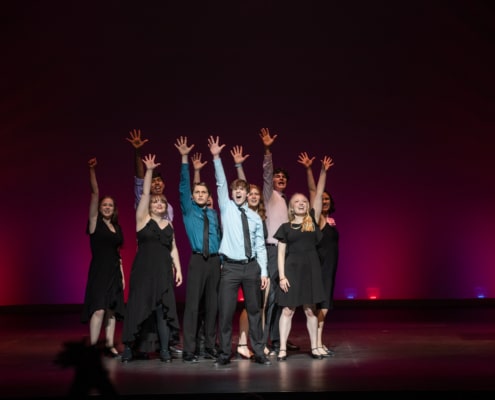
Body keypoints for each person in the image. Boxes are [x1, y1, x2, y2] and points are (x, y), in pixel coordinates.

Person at [209, 135, 271, 366]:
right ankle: (225, 354)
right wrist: (216, 157)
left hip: (252, 267)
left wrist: (263, 271)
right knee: (225, 313)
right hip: (231, 268)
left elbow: (260, 246)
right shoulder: (226, 208)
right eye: (235, 189)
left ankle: (259, 352)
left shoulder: (255, 217)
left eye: (241, 189)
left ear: (246, 194)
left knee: (255, 312)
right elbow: (221, 182)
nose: (237, 191)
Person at [121, 154, 183, 363]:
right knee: (138, 306)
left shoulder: (170, 225)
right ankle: (129, 348)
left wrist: (179, 269)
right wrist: (148, 171)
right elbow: (145, 193)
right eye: (155, 202)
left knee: (162, 311)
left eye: (162, 202)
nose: (158, 204)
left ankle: (164, 350)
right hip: (144, 270)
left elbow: (173, 248)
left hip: (163, 271)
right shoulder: (142, 220)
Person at [274, 154, 333, 361]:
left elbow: (317, 194)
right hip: (292, 271)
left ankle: (315, 347)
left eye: (304, 202)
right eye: (297, 201)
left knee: (310, 311)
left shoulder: (313, 223)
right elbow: (281, 253)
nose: (301, 203)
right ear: (291, 207)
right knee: (288, 310)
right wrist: (282, 276)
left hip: (311, 270)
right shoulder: (285, 228)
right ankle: (282, 348)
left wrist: (322, 171)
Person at [175, 136, 222, 363]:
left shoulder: (213, 215)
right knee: (193, 307)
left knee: (213, 307)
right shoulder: (188, 211)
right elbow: (184, 186)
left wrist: (222, 262)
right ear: (193, 197)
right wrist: (185, 159)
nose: (201, 195)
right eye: (198, 193)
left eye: (204, 193)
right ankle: (189, 350)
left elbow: (220, 238)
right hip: (197, 260)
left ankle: (210, 346)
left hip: (214, 262)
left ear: (209, 197)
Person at [259, 127, 299, 354]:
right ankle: (263, 341)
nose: (280, 178)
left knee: (284, 296)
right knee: (271, 296)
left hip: (287, 252)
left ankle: (278, 338)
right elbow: (266, 174)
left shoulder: (287, 201)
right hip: (272, 250)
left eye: (284, 177)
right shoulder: (268, 195)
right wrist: (267, 150)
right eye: (278, 176)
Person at [81, 158, 125, 358]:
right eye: (104, 205)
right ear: (99, 208)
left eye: (110, 205)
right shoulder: (94, 224)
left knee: (111, 311)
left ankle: (109, 345)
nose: (107, 207)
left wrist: (122, 276)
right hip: (99, 271)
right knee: (98, 309)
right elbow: (94, 193)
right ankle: (92, 347)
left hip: (115, 270)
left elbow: (119, 253)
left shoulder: (117, 228)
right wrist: (92, 170)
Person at [231, 145, 270, 359]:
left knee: (260, 307)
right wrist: (239, 166)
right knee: (249, 306)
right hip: (242, 264)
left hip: (259, 263)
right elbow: (242, 185)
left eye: (256, 194)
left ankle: (259, 343)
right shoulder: (240, 212)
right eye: (250, 194)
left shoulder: (261, 216)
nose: (253, 196)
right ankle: (243, 342)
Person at [298, 152, 339, 357]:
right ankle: (317, 343)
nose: (323, 200)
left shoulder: (330, 220)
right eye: (321, 199)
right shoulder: (317, 220)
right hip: (320, 267)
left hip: (330, 267)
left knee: (325, 307)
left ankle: (319, 342)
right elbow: (314, 189)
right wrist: (315, 170)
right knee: (320, 306)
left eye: (326, 199)